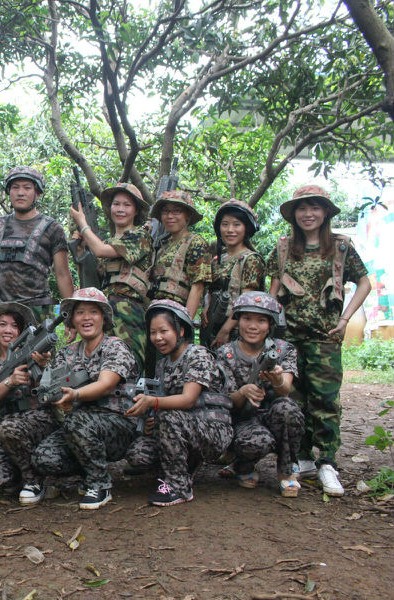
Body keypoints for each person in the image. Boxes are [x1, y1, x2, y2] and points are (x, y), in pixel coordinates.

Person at [268, 185, 370, 496]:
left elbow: (364, 282)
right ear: (293, 215)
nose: (308, 214)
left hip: (325, 338)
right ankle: (302, 458)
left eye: (314, 208)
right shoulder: (284, 248)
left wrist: (345, 319)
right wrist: (269, 330)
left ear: (325, 212)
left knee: (325, 401)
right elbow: (273, 291)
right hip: (290, 339)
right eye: (302, 208)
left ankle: (327, 462)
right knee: (293, 400)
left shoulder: (340, 246)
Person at [30, 288, 139, 509]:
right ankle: (87, 473)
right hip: (80, 427)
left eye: (93, 312)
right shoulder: (67, 353)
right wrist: (43, 370)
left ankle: (100, 485)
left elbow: (106, 384)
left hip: (119, 426)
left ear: (104, 318)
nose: (86, 317)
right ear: (73, 319)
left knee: (76, 421)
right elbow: (52, 389)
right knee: (44, 457)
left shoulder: (115, 346)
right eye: (80, 312)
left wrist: (76, 395)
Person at [125, 300, 233, 506]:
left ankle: (179, 487)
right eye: (153, 332)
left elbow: (188, 399)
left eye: (164, 331)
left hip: (213, 431)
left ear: (181, 330)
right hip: (183, 427)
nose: (158, 338)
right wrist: (152, 422)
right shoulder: (162, 365)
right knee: (138, 454)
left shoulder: (197, 355)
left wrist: (152, 403)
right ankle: (183, 466)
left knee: (168, 416)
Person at [215, 292, 304, 497]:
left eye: (261, 320)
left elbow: (285, 390)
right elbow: (226, 400)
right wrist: (243, 392)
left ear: (270, 324)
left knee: (288, 409)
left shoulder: (283, 350)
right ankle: (243, 464)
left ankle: (286, 470)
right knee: (256, 442)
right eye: (247, 318)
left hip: (273, 413)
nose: (253, 326)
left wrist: (277, 380)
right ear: (237, 321)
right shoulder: (225, 353)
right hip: (243, 419)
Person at [0, 301, 52, 495]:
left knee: (10, 428)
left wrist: (43, 367)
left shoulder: (35, 355)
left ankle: (33, 481)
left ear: (21, 331)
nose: (8, 330)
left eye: (14, 326)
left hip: (38, 422)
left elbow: (51, 391)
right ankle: (19, 470)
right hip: (3, 426)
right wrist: (10, 381)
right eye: (2, 324)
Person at [69, 182, 152, 368]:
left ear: (136, 211)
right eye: (116, 204)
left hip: (129, 310)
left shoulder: (140, 237)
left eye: (127, 205)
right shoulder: (108, 241)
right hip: (104, 311)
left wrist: (83, 224)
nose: (120, 209)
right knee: (101, 365)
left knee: (128, 364)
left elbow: (100, 250)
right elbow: (94, 280)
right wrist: (81, 252)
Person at [0, 166, 74, 320]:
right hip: (0, 313)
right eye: (15, 187)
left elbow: (62, 274)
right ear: (9, 192)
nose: (20, 193)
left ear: (37, 193)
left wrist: (71, 316)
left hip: (36, 312)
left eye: (27, 188)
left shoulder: (52, 228)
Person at [201, 199, 265, 348]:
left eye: (237, 224)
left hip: (235, 332)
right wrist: (206, 307)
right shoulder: (218, 259)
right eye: (225, 224)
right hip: (211, 327)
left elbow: (247, 302)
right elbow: (210, 290)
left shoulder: (250, 259)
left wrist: (225, 330)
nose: (230, 230)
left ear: (246, 228)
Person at [148, 190, 211, 318]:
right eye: (165, 211)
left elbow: (198, 287)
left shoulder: (196, 243)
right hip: (156, 312)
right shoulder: (162, 245)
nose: (169, 216)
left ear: (188, 216)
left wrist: (185, 322)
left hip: (177, 314)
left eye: (177, 211)